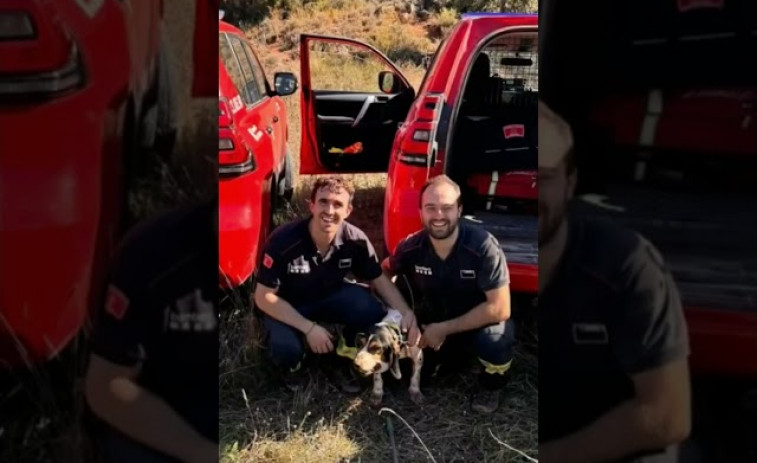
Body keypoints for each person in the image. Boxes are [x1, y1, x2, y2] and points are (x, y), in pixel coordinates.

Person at [537, 100, 691, 463]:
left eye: (542, 178)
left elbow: (668, 416)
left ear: (570, 182)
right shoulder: (491, 259)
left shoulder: (627, 266)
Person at [254, 176, 420, 391]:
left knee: (370, 308)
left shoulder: (355, 240)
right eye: (323, 202)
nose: (329, 211)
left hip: (329, 296)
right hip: (288, 303)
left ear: (348, 210)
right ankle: (295, 369)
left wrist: (406, 312)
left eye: (338, 204)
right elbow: (263, 297)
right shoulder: (283, 240)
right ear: (311, 205)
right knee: (285, 349)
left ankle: (341, 356)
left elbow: (380, 279)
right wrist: (309, 328)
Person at [84, 199, 219, 463]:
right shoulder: (151, 253)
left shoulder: (258, 249)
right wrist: (206, 455)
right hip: (164, 429)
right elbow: (104, 386)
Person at [382, 175, 515, 414]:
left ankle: (491, 385)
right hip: (430, 324)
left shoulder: (482, 245)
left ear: (459, 210)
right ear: (421, 211)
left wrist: (443, 329)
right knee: (406, 381)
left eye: (447, 208)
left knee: (496, 342)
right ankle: (450, 361)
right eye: (430, 208)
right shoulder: (411, 246)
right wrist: (405, 312)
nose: (439, 216)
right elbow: (382, 273)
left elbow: (500, 308)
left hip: (476, 324)